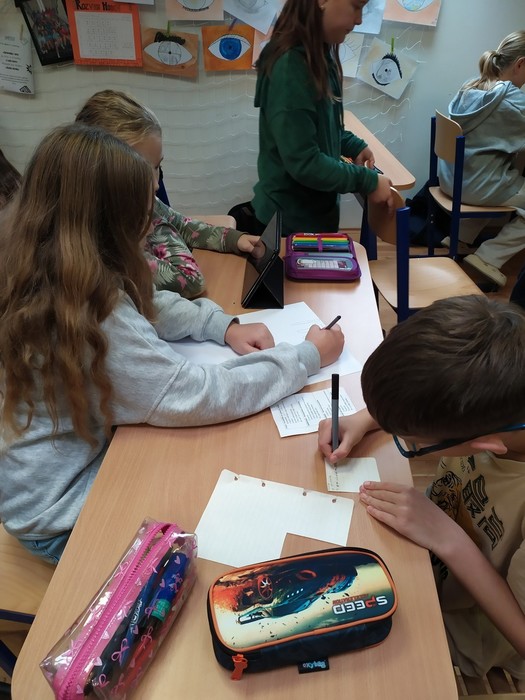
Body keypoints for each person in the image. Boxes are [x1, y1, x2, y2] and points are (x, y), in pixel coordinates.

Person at [0, 123, 344, 565]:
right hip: (64, 519)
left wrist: (219, 325)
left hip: (45, 488)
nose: (151, 229)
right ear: (109, 226)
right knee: (228, 493)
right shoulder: (96, 314)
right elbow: (197, 395)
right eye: (143, 217)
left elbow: (146, 302)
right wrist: (307, 356)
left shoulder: (41, 269)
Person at [318, 295, 525, 685]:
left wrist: (450, 540)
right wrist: (368, 418)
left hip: (466, 627)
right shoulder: (505, 394)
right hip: (429, 549)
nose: (408, 443)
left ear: (486, 445)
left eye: (412, 443)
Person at [75, 89, 265, 299]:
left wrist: (233, 239)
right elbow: (190, 280)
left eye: (157, 167)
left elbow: (183, 225)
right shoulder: (109, 248)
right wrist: (154, 220)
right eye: (142, 173)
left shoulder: (142, 203)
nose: (157, 185)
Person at [247, 0, 393, 236]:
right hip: (288, 228)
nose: (359, 20)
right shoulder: (290, 66)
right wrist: (367, 181)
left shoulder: (319, 56)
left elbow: (323, 129)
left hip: (313, 221)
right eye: (356, 6)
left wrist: (352, 145)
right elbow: (304, 162)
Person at [438, 31, 525, 288]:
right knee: (501, 180)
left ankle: (460, 237)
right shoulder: (514, 101)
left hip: (451, 181)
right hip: (478, 187)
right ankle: (489, 257)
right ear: (520, 64)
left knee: (495, 171)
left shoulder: (471, 87)